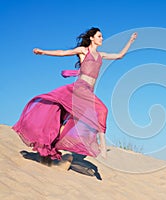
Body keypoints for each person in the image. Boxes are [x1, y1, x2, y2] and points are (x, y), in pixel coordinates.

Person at [12, 27, 137, 166]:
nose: (102, 39)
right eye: (99, 36)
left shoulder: (101, 55)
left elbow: (119, 55)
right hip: (80, 89)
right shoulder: (84, 51)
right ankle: (101, 146)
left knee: (69, 121)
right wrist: (43, 52)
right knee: (102, 110)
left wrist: (130, 41)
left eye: (102, 37)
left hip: (88, 92)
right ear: (92, 38)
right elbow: (63, 52)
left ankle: (49, 149)